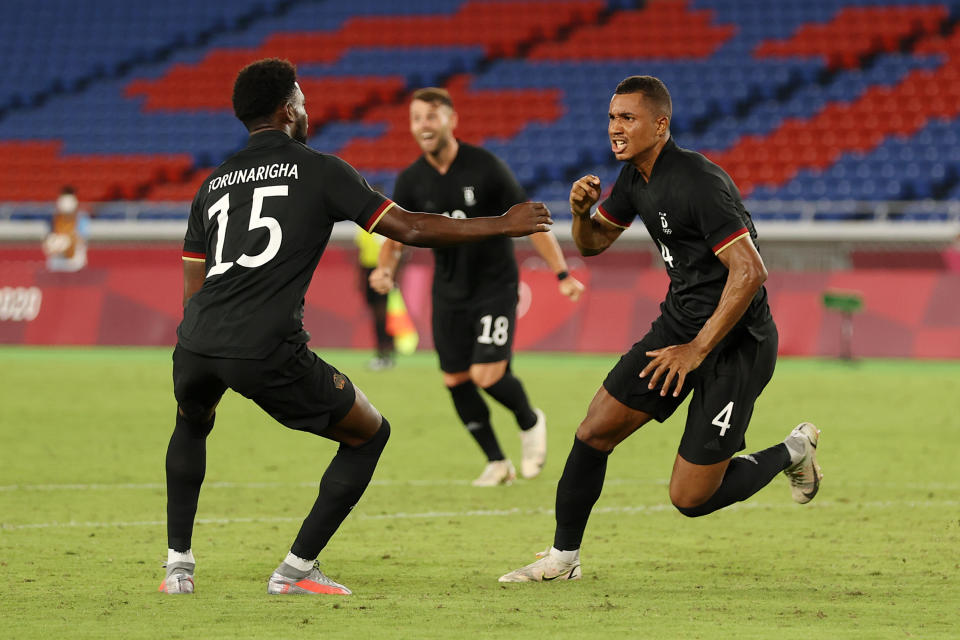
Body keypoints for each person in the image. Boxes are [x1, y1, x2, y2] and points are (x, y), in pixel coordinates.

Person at [161, 58, 552, 596]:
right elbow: (410, 227)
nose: (306, 106)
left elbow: (192, 284)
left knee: (191, 424)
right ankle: (296, 571)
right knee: (370, 433)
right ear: (287, 109)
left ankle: (177, 569)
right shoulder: (321, 170)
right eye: (301, 97)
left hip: (197, 342)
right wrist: (501, 224)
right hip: (265, 346)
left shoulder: (212, 184)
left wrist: (207, 342)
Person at [499, 76, 822, 583]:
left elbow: (750, 271)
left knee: (690, 497)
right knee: (594, 430)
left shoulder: (699, 181)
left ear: (660, 124)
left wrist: (696, 349)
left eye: (628, 118)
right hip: (678, 327)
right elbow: (592, 245)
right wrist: (580, 214)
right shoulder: (634, 178)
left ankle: (793, 451)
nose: (615, 128)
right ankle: (563, 560)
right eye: (611, 117)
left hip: (737, 342)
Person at [370, 88, 585, 487]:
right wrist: (386, 270)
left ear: (452, 119)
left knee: (486, 375)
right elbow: (395, 238)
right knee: (455, 378)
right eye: (416, 118)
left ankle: (529, 419)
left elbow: (529, 219)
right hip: (448, 292)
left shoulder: (484, 166)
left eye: (432, 116)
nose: (424, 125)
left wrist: (561, 274)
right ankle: (497, 462)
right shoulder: (412, 180)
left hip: (494, 286)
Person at [355, 227, 395, 370]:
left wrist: (391, 274)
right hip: (368, 271)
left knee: (382, 315)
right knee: (376, 315)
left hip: (382, 271)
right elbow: (362, 254)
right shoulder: (362, 227)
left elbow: (395, 249)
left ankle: (386, 353)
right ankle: (382, 352)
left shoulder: (383, 227)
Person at [42, 186, 89, 272]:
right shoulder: (53, 219)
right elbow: (48, 240)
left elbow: (83, 239)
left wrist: (70, 241)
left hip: (75, 261)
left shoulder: (81, 218)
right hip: (57, 261)